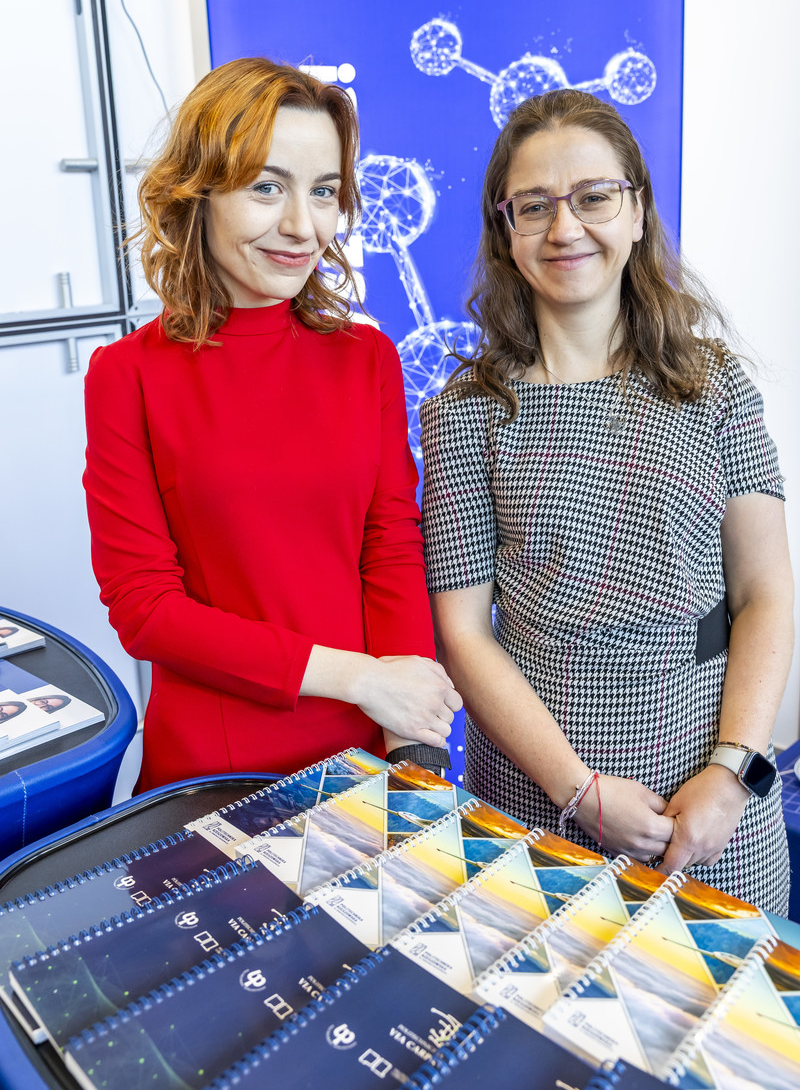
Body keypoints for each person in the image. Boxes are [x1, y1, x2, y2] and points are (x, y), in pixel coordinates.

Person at [421, 89, 793, 913]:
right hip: (534, 800)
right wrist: (578, 792)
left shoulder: (716, 386)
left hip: (714, 806)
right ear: (504, 229)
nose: (565, 228)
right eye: (534, 206)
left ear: (637, 211)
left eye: (593, 197)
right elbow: (463, 634)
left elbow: (764, 594)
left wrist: (732, 772)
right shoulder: (464, 414)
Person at [84, 57, 461, 793]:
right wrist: (360, 678)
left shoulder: (367, 359)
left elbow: (389, 545)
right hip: (216, 769)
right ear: (198, 191)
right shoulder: (128, 375)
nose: (301, 226)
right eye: (266, 187)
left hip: (372, 750)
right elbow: (146, 608)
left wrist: (410, 743)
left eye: (323, 191)